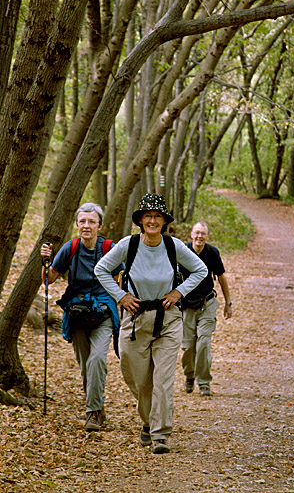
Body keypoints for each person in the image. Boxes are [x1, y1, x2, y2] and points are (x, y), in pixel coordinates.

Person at [95, 193, 207, 454]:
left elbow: (200, 270)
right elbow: (101, 269)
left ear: (164, 221)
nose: (153, 220)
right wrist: (120, 295)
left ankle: (160, 434)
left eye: (158, 216)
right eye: (148, 216)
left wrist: (179, 292)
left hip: (168, 319)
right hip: (134, 320)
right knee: (137, 377)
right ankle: (148, 420)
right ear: (141, 220)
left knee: (163, 380)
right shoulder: (128, 245)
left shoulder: (173, 246)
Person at [40, 203, 123, 433]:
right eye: (82, 221)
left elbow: (119, 281)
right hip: (76, 313)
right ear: (77, 225)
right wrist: (45, 260)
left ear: (100, 225)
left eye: (91, 222)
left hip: (103, 312)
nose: (86, 226)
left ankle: (92, 412)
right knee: (86, 366)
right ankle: (97, 405)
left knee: (97, 359)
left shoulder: (109, 248)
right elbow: (49, 279)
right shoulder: (71, 248)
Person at [180, 221, 232, 397]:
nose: (199, 236)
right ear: (191, 234)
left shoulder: (212, 252)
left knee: (203, 343)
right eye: (197, 233)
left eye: (203, 233)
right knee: (187, 347)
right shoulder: (182, 251)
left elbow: (221, 277)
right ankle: (189, 375)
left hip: (207, 303)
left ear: (207, 236)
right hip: (186, 305)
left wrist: (228, 303)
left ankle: (203, 382)